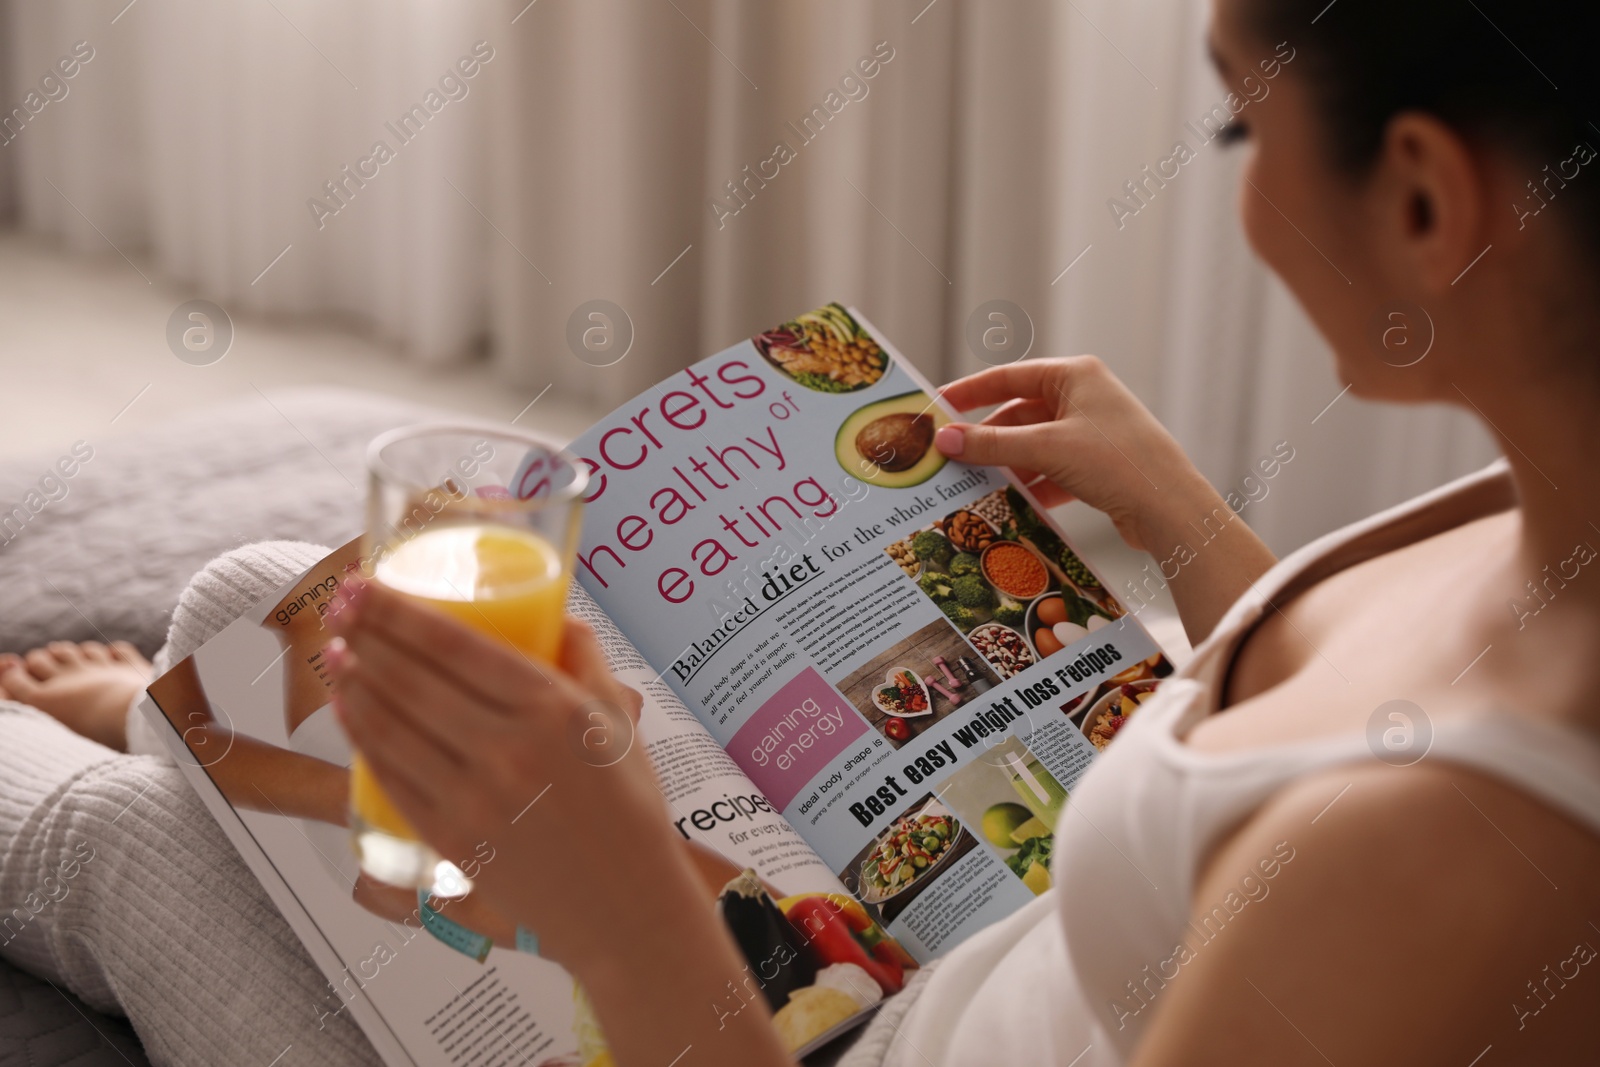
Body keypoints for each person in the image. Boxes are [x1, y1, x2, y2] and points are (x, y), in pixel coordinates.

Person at [4, 0, 1600, 1063]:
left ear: (1420, 199)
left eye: (1242, 129)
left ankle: (165, 761)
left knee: (126, 846)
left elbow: (1357, 832)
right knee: (264, 602)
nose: (1242, 195)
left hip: (780, 1024)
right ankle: (175, 729)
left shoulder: (1441, 869)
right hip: (947, 950)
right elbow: (1331, 747)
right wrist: (1186, 522)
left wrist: (623, 907)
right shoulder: (1523, 514)